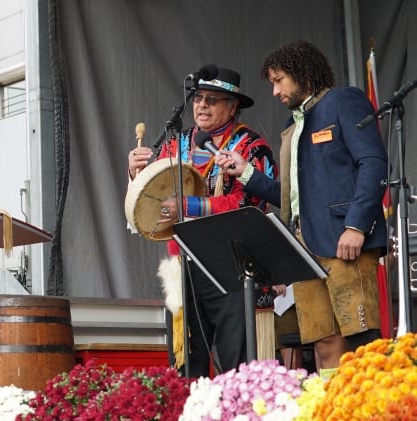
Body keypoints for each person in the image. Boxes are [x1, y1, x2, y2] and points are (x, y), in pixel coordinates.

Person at [217, 40, 388, 379]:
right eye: (272, 83)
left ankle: (368, 413)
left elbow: (373, 162)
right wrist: (246, 172)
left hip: (344, 240)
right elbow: (292, 195)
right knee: (323, 342)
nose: (275, 90)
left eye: (280, 80)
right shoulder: (294, 125)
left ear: (304, 75)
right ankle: (330, 414)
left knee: (360, 338)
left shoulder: (342, 101)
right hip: (304, 247)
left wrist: (356, 225)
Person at [127, 67, 277, 378]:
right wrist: (135, 174)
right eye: (198, 98)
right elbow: (152, 196)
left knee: (236, 364)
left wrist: (189, 205)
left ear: (232, 106)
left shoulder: (252, 146)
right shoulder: (174, 143)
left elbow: (250, 205)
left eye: (212, 99)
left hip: (233, 267)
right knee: (185, 366)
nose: (202, 105)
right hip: (183, 265)